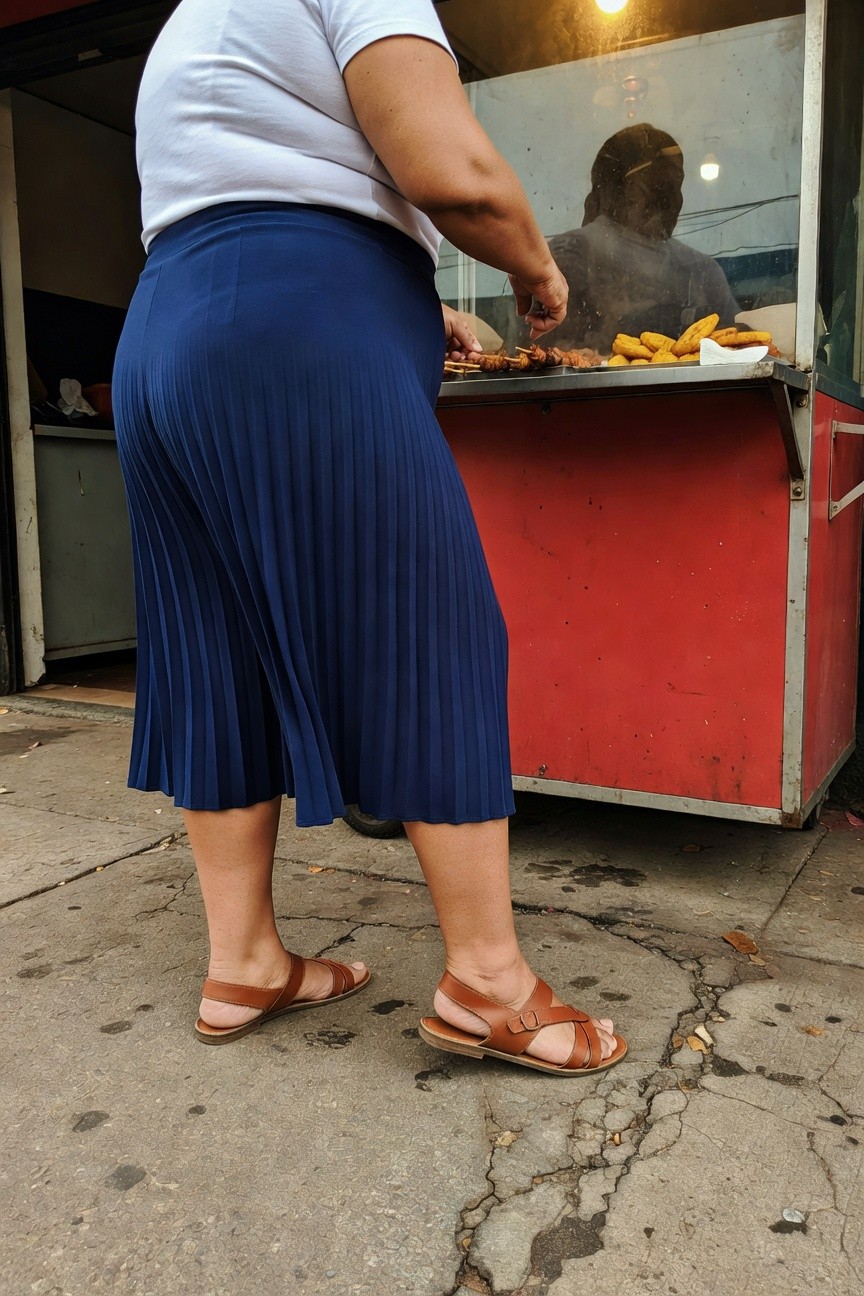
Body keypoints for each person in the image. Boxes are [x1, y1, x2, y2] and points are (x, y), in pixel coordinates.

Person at [114, 0, 626, 1076]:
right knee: (431, 626)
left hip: (164, 333)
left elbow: (248, 200)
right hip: (287, 323)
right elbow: (453, 174)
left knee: (218, 649)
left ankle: (242, 957)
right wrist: (538, 269)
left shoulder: (195, 20)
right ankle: (488, 985)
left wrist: (399, 299)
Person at [548, 123, 740, 351]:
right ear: (623, 191)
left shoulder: (700, 271)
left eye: (677, 186)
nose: (674, 200)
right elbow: (541, 357)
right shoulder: (573, 252)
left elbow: (734, 345)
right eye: (659, 187)